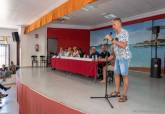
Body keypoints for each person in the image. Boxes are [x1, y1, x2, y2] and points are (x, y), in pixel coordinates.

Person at [105, 18, 131, 102]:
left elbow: (123, 45)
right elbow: (116, 47)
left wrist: (112, 39)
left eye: (114, 24)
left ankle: (124, 95)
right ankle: (117, 92)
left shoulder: (124, 32)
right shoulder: (116, 34)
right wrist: (112, 56)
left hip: (124, 58)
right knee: (116, 74)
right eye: (112, 24)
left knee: (124, 76)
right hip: (118, 58)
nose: (112, 26)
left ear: (119, 24)